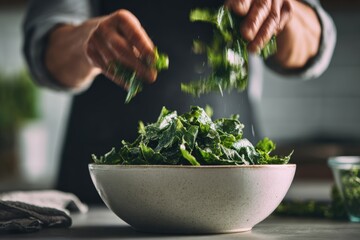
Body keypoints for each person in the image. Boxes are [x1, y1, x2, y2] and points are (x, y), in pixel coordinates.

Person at [23, 0, 336, 204]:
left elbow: (315, 40)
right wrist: (88, 40)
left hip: (235, 188)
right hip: (101, 198)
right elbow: (46, 50)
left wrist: (284, 15)